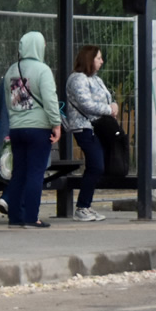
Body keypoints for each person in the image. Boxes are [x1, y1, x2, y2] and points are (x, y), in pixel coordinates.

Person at [3, 31, 60, 229]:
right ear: (37, 46)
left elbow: (9, 102)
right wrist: (56, 123)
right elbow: (50, 100)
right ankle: (31, 216)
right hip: (38, 130)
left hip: (17, 129)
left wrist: (15, 121)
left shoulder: (11, 70)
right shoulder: (42, 70)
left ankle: (15, 217)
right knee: (36, 172)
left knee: (18, 173)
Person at [64, 44, 115, 222]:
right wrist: (109, 109)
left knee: (97, 164)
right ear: (89, 59)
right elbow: (86, 104)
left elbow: (106, 98)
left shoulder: (95, 79)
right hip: (83, 126)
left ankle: (86, 205)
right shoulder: (78, 79)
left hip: (96, 126)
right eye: (98, 58)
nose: (102, 61)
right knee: (96, 165)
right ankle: (82, 207)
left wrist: (111, 106)